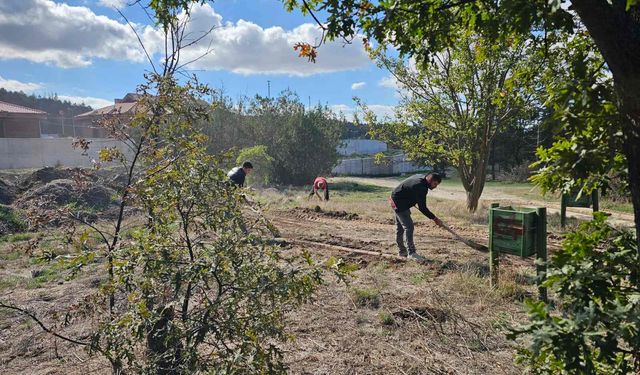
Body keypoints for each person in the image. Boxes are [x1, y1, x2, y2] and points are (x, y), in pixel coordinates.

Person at [390, 173, 443, 259]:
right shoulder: (421, 187)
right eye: (435, 184)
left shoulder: (421, 177)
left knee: (400, 228)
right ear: (429, 180)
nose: (435, 186)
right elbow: (422, 208)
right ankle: (411, 253)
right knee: (409, 227)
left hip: (397, 198)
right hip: (398, 202)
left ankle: (402, 252)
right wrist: (435, 218)